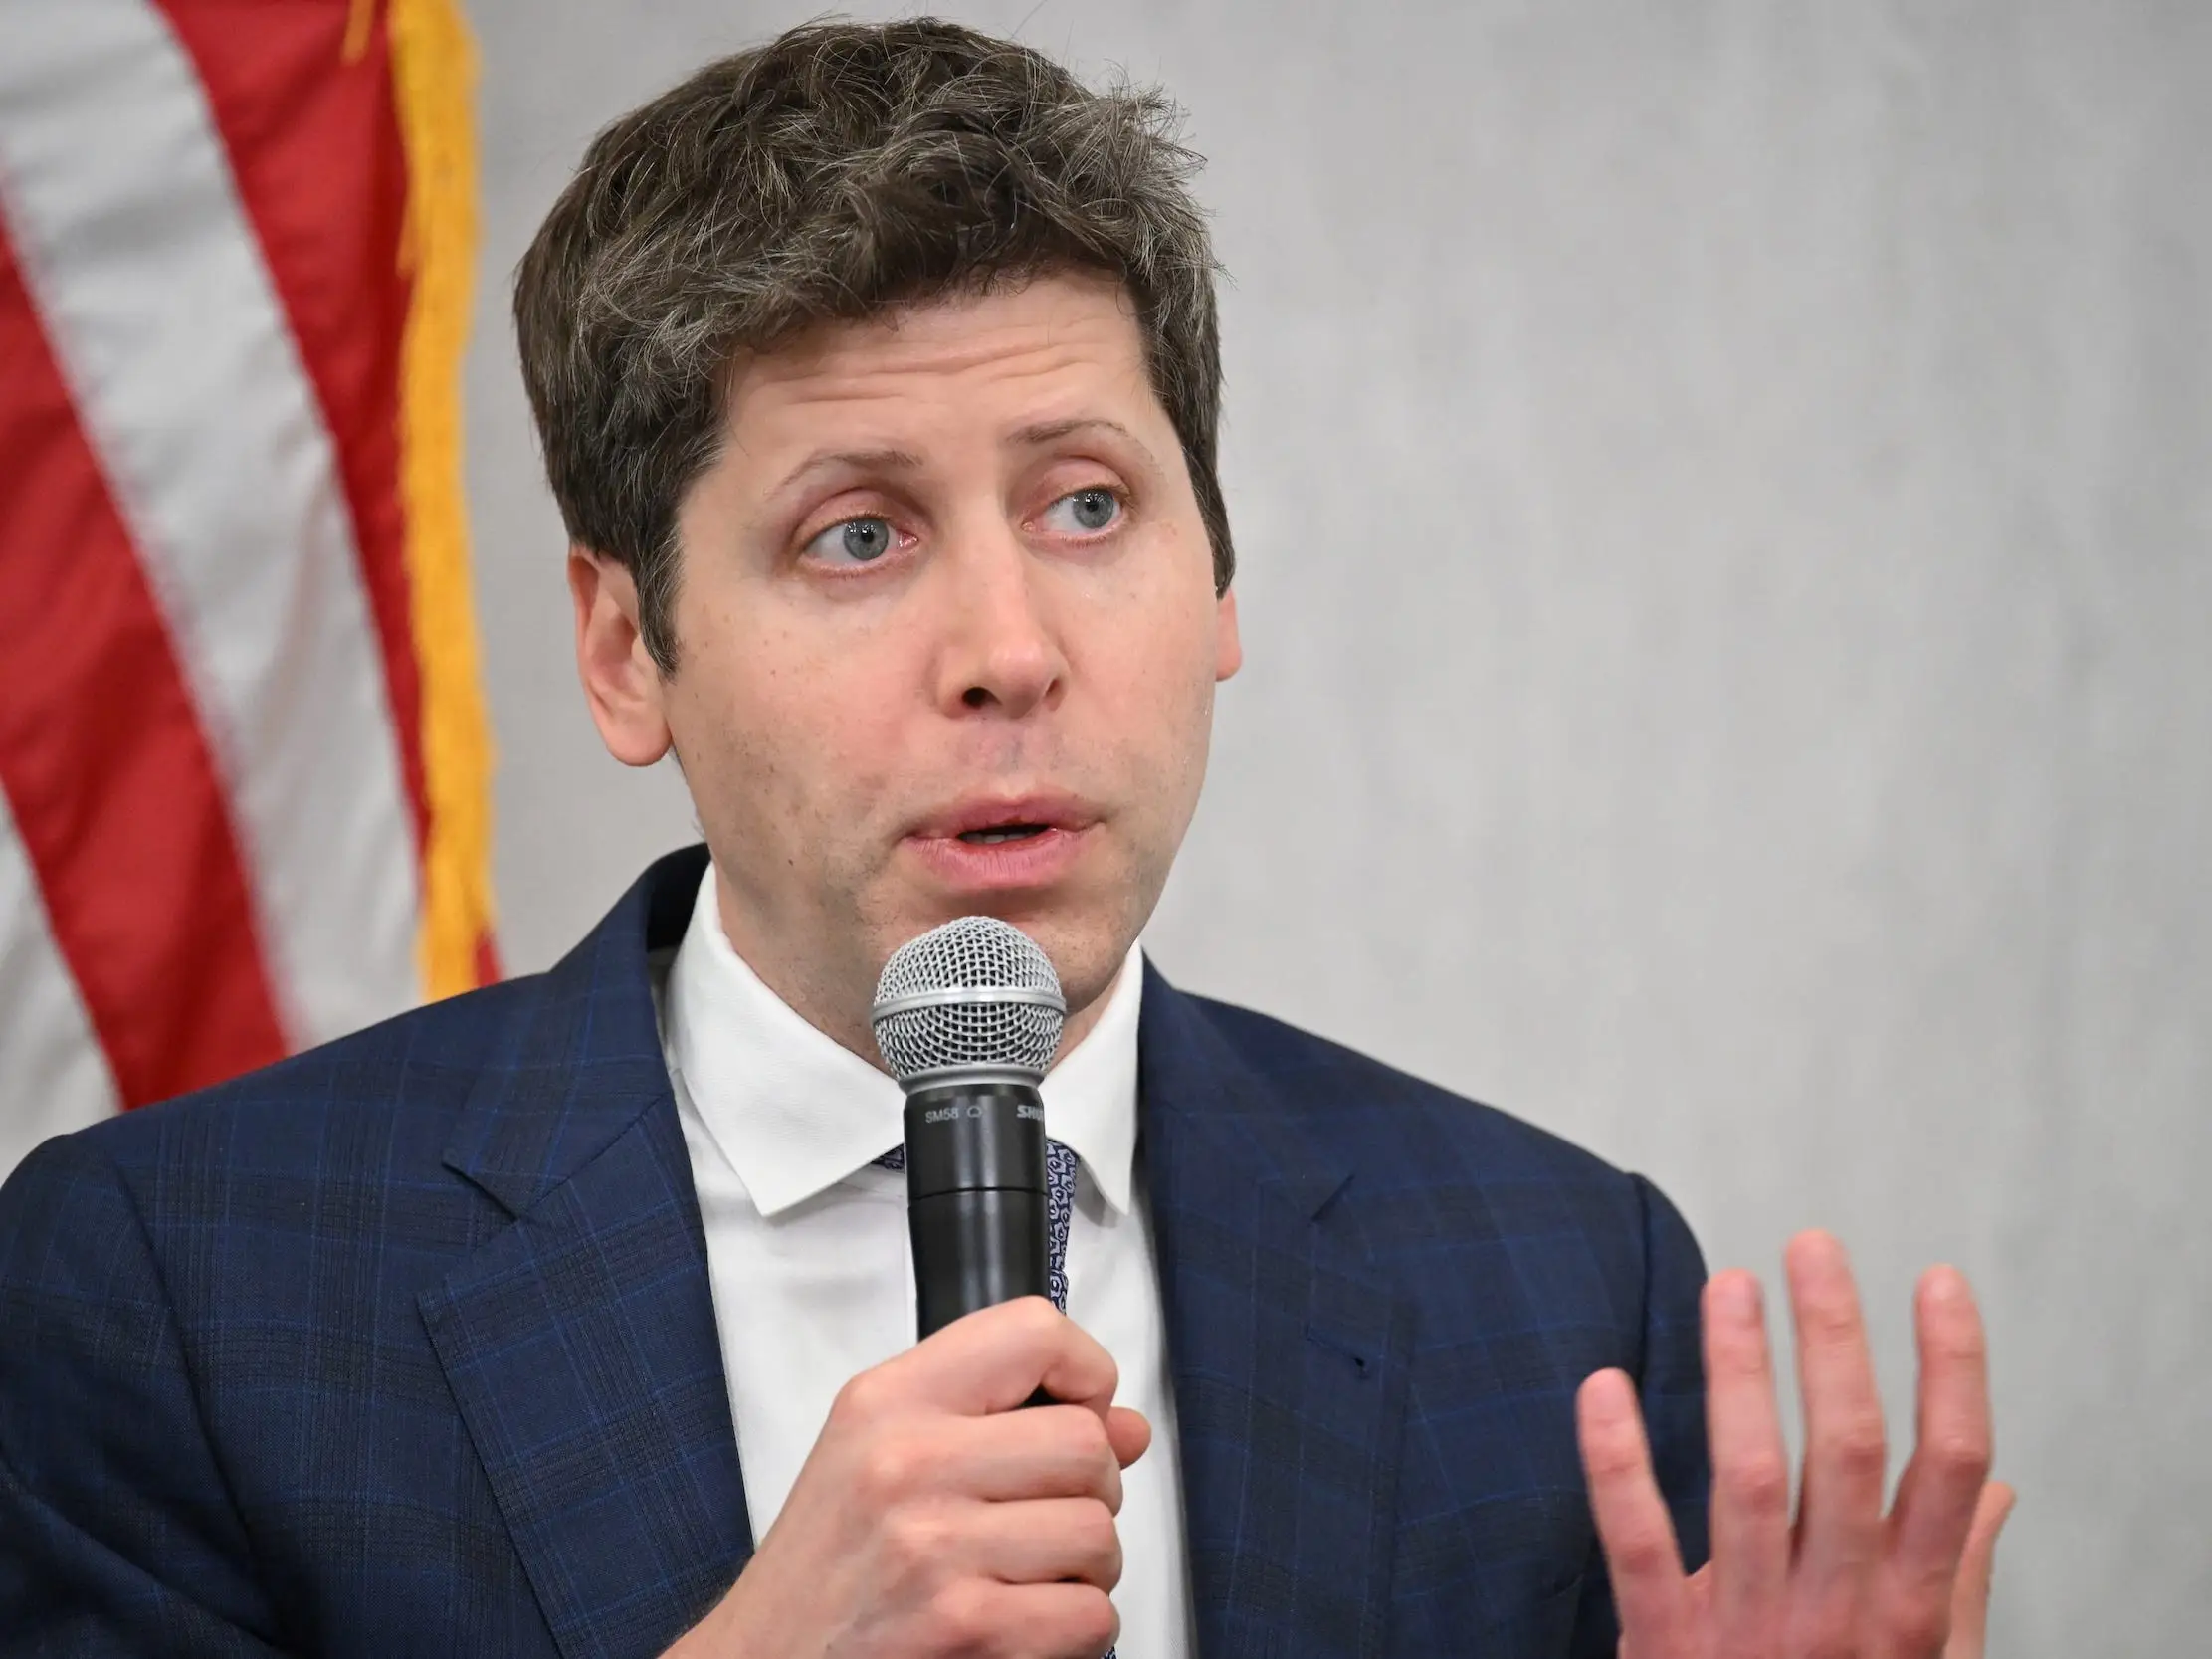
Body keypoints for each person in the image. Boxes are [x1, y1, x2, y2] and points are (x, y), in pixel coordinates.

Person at [0, 17, 2012, 1658]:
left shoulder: (1565, 1287)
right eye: (856, 535)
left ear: (1219, 578)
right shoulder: (176, 1288)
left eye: (1083, 504)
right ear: (627, 651)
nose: (1008, 650)